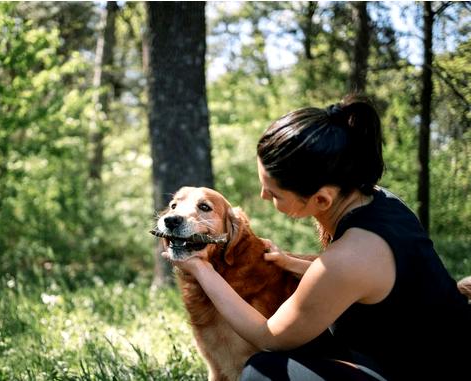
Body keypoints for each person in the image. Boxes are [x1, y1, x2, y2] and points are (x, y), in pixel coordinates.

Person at [163, 94, 471, 380]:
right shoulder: (380, 201)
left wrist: (201, 269)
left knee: (262, 371)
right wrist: (292, 263)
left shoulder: (350, 256)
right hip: (443, 348)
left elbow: (268, 337)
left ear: (321, 200)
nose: (262, 195)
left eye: (273, 192)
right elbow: (379, 285)